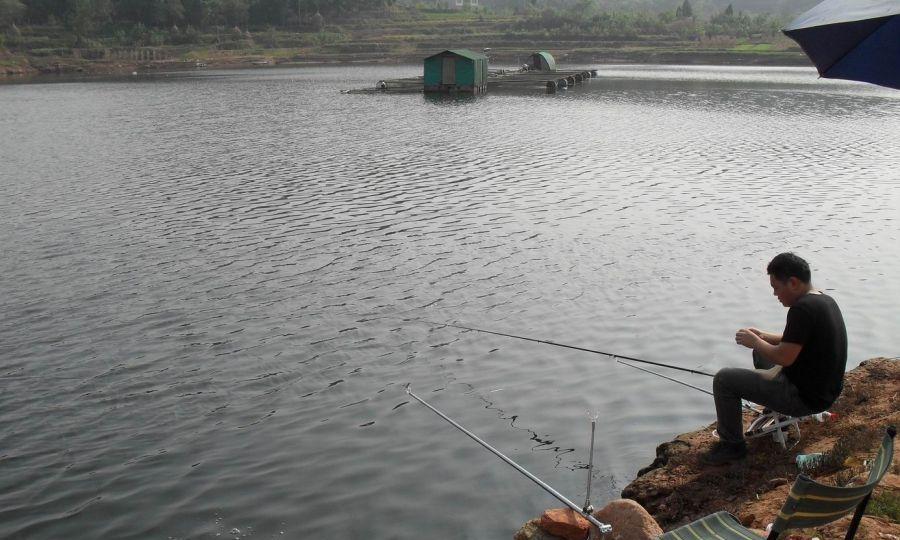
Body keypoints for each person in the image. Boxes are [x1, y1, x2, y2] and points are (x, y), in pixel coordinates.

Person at [702, 252, 848, 464]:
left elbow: (785, 357)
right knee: (761, 350)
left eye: (776, 288)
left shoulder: (802, 310)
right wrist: (763, 336)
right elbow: (796, 339)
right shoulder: (823, 300)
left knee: (724, 380)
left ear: (793, 283)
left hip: (804, 399)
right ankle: (777, 413)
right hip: (825, 391)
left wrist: (755, 342)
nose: (774, 294)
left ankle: (732, 446)